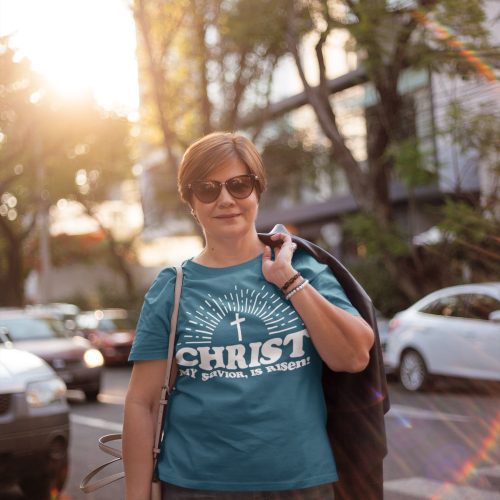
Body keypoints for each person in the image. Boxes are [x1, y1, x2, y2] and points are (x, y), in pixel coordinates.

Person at [123, 131, 375, 500]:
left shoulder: (303, 267)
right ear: (191, 201)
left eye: (239, 185)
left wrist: (288, 280)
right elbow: (140, 403)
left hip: (301, 483)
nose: (226, 199)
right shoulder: (172, 286)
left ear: (257, 190)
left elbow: (353, 356)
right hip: (196, 487)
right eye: (207, 188)